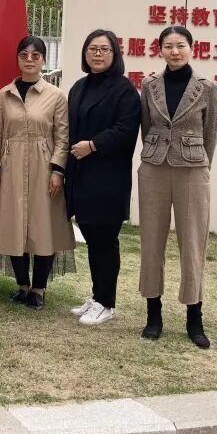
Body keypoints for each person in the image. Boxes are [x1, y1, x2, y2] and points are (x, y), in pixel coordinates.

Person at [137, 25, 217, 349]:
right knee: (151, 242)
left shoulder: (207, 87)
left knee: (193, 243)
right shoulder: (149, 85)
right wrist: (155, 151)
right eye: (169, 46)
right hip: (154, 167)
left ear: (191, 48)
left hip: (193, 170)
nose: (175, 51)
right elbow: (147, 127)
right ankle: (153, 314)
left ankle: (194, 317)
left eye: (180, 45)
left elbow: (210, 133)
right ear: (160, 50)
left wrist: (201, 163)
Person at [0, 36, 73, 310]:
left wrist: (58, 170)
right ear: (18, 59)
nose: (30, 60)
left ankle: (39, 288)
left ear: (44, 60)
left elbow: (63, 137)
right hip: (10, 166)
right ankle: (22, 285)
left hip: (43, 167)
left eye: (36, 55)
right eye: (24, 55)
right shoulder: (4, 95)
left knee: (43, 225)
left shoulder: (56, 96)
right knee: (14, 225)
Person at [64, 30, 142, 327]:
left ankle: (106, 303)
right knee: (92, 239)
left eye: (104, 49)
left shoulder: (124, 90)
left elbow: (126, 130)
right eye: (92, 49)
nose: (97, 54)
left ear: (115, 54)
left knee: (105, 241)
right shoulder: (79, 87)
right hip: (80, 176)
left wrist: (93, 145)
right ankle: (96, 296)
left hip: (107, 178)